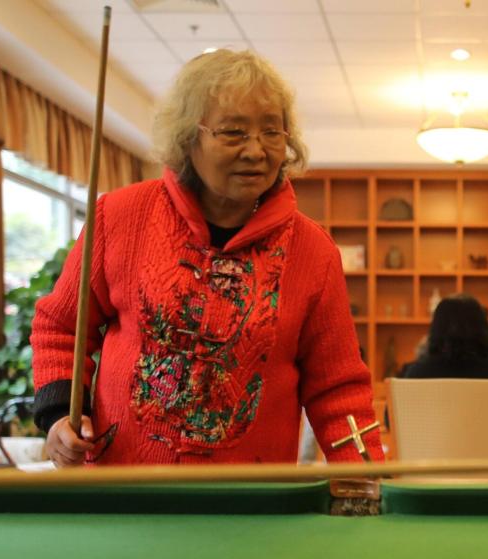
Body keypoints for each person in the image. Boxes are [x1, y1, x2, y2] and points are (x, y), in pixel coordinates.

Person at [31, 49, 382, 467]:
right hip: (123, 497)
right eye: (233, 133)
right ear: (188, 139)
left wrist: (365, 480)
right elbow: (61, 327)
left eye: (272, 132)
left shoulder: (313, 251)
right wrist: (57, 417)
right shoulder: (119, 218)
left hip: (254, 507)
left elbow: (337, 387)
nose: (256, 150)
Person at [397, 294, 488, 432]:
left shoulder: (416, 372)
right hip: (483, 456)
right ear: (484, 329)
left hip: (428, 456)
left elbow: (392, 420)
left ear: (435, 330)